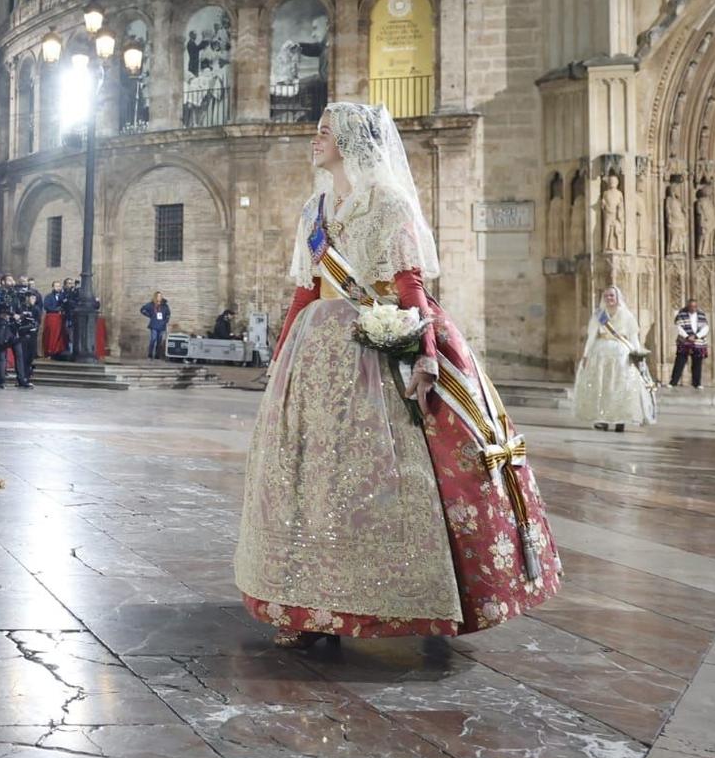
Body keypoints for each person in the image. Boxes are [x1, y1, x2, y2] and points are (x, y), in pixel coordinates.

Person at [235, 101, 561, 647]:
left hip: (373, 346)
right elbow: (306, 289)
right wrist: (281, 352)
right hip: (314, 356)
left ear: (349, 141)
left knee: (369, 475)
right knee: (305, 477)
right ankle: (301, 604)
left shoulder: (386, 204)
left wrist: (428, 353)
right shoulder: (312, 210)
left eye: (323, 133)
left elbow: (409, 286)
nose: (314, 141)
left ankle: (381, 602)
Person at [571, 286, 655, 432]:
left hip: (621, 354)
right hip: (601, 353)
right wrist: (585, 355)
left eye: (612, 296)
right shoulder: (599, 315)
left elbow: (633, 337)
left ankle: (620, 419)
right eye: (606, 296)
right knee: (602, 386)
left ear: (617, 298)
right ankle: (603, 419)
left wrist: (637, 355)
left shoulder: (627, 315)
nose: (609, 299)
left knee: (620, 387)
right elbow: (591, 336)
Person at [670, 300, 709, 388]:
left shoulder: (701, 315)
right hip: (684, 342)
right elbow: (679, 327)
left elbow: (706, 328)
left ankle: (697, 383)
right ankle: (673, 382)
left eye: (695, 306)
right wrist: (687, 337)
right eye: (691, 306)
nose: (693, 308)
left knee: (697, 363)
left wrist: (696, 336)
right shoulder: (681, 315)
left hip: (698, 342)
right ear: (688, 306)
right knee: (680, 361)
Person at [140, 291, 171, 359]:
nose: (159, 297)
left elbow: (168, 314)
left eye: (160, 296)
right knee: (153, 339)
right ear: (155, 297)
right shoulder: (151, 304)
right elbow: (142, 309)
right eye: (158, 296)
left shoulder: (165, 305)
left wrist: (165, 321)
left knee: (159, 341)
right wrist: (149, 315)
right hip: (154, 324)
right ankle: (150, 354)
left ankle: (157, 355)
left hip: (162, 325)